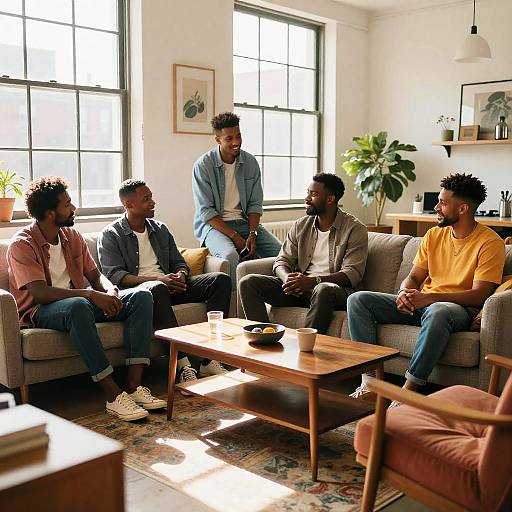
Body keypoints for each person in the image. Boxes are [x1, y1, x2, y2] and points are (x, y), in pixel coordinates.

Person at [7, 177, 166, 421]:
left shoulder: (72, 236)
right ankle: (113, 395)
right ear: (50, 213)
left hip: (79, 304)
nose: (74, 208)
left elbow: (95, 275)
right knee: (79, 305)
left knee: (142, 296)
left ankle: (134, 388)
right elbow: (39, 293)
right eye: (68, 204)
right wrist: (91, 294)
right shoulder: (22, 244)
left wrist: (110, 290)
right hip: (41, 310)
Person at [348, 173, 505, 401]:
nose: (436, 207)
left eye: (443, 202)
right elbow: (413, 277)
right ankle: (371, 381)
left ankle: (408, 393)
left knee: (438, 310)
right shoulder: (433, 235)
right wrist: (404, 292)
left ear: (462, 209)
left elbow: (481, 294)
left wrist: (429, 298)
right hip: (425, 304)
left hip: (456, 309)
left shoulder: (490, 242)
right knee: (358, 300)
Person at [98, 179, 231, 388]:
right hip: (141, 293)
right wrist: (159, 279)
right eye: (146, 199)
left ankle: (209, 359)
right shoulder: (111, 235)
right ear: (129, 204)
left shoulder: (160, 229)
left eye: (151, 197)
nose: (153, 202)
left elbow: (179, 262)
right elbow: (116, 276)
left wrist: (180, 275)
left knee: (220, 280)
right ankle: (182, 365)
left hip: (169, 286)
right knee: (157, 288)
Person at [239, 173, 368, 334]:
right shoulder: (301, 225)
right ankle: (265, 337)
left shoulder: (355, 229)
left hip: (333, 292)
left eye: (313, 194)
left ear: (330, 199)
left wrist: (313, 281)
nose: (307, 198)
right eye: (308, 192)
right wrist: (287, 278)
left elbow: (352, 274)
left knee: (323, 289)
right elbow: (281, 261)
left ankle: (304, 349)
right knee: (248, 282)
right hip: (301, 290)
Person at [192, 111, 282, 287]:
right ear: (218, 140)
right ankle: (236, 307)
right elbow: (206, 212)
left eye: (238, 136)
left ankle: (277, 299)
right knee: (230, 256)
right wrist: (235, 237)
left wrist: (252, 234)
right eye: (229, 138)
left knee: (283, 253)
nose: (236, 142)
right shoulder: (203, 166)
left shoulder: (250, 163)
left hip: (244, 222)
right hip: (213, 227)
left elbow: (255, 204)